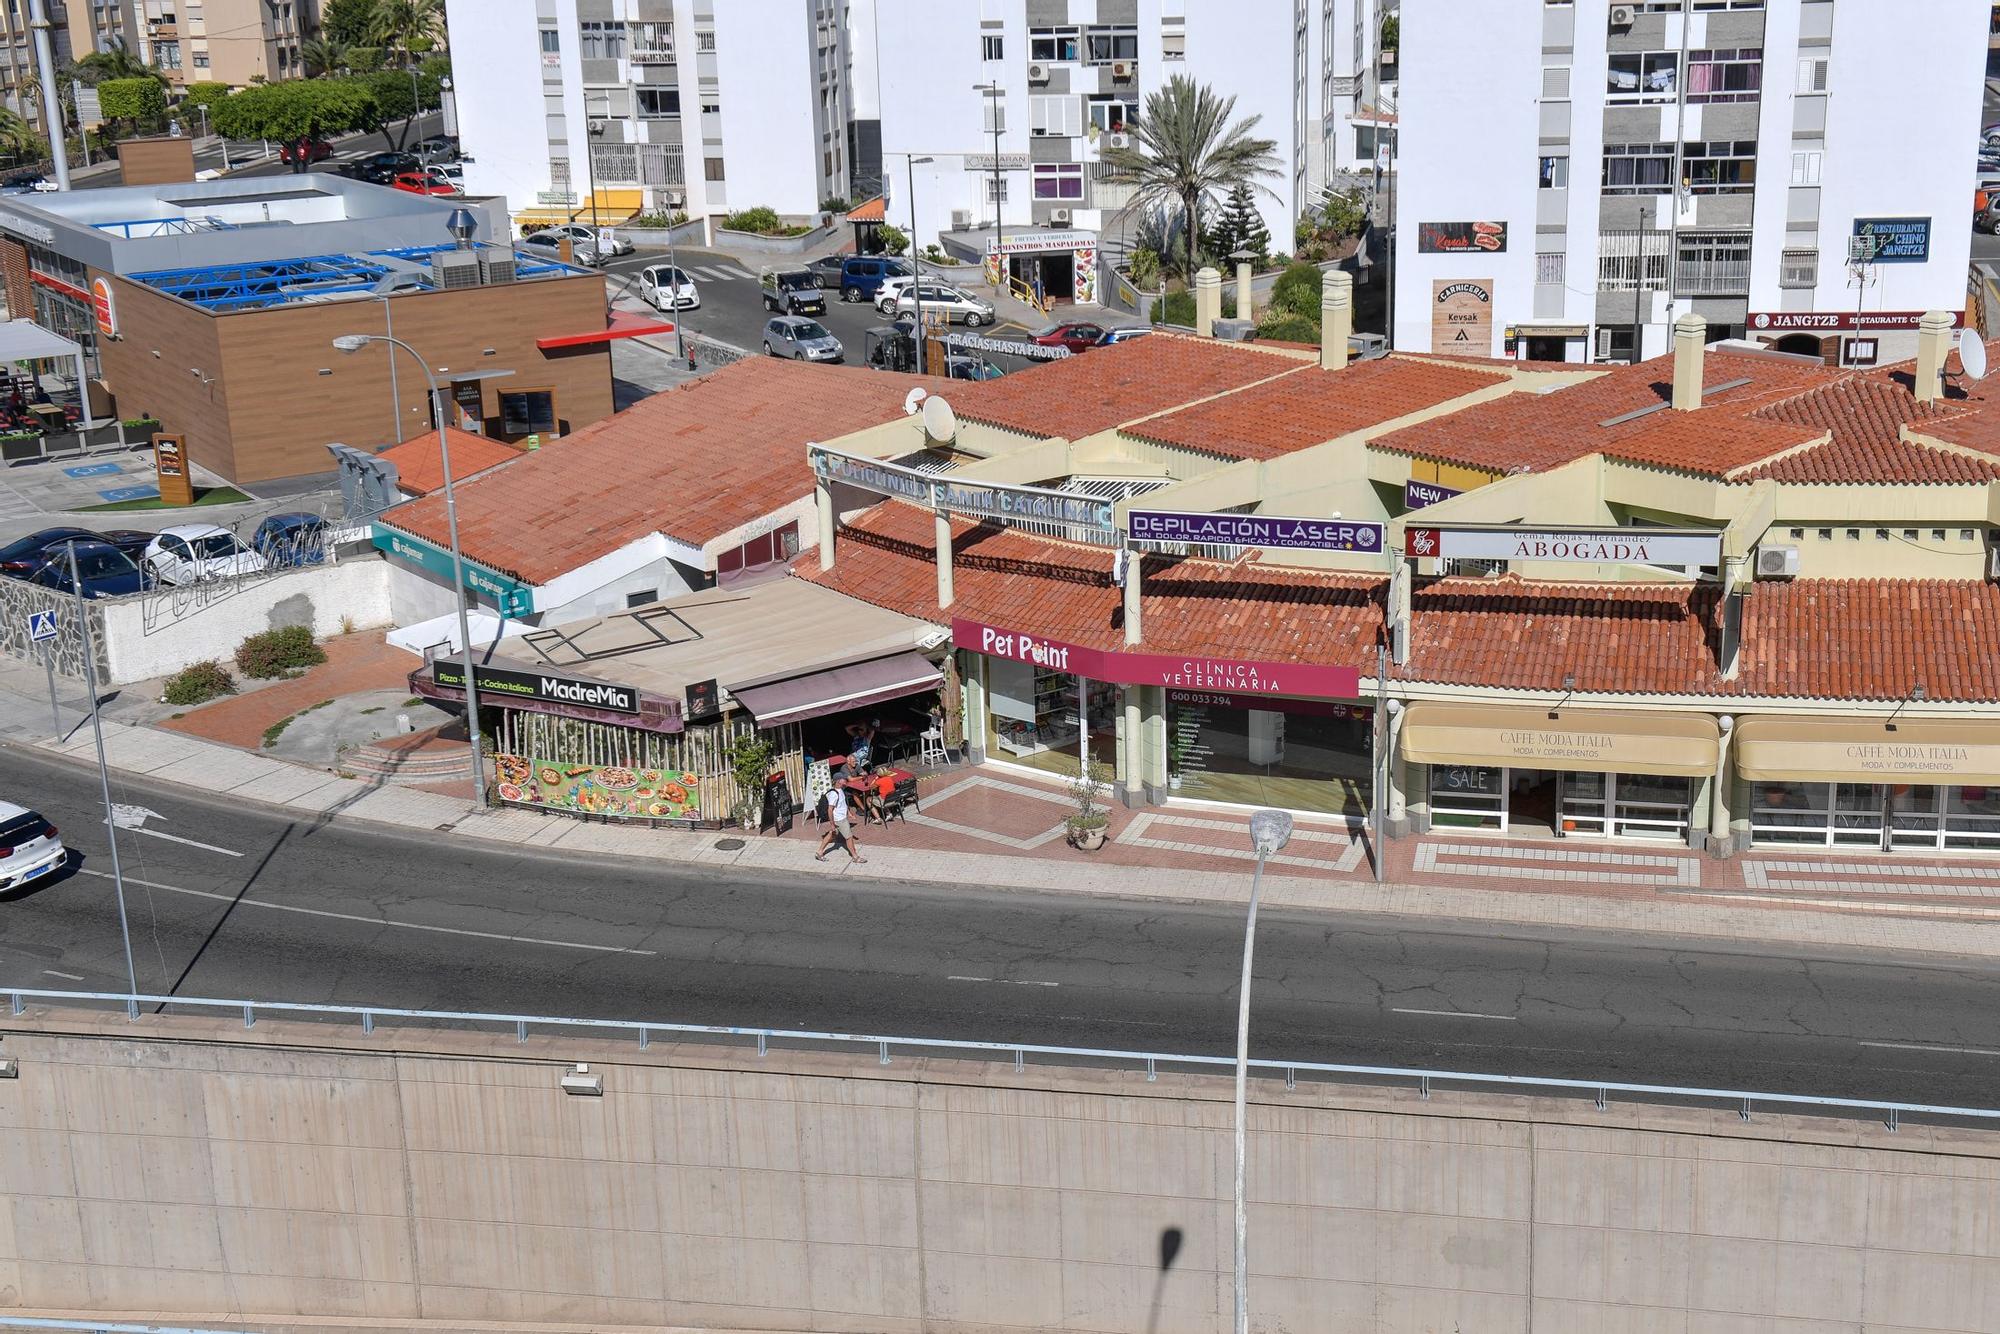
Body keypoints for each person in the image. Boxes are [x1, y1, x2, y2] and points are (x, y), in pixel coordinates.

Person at [816, 777, 866, 863]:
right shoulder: (834, 794)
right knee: (849, 837)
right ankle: (855, 857)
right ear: (838, 781)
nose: (845, 781)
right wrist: (832, 824)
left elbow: (843, 803)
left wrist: (849, 813)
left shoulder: (841, 790)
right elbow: (830, 810)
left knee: (832, 834)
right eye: (843, 780)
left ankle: (819, 852)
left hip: (841, 818)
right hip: (839, 820)